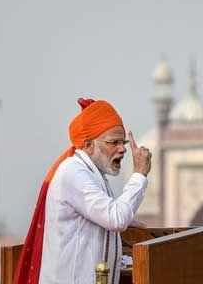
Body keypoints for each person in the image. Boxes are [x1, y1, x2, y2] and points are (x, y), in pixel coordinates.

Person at [13, 98, 152, 284]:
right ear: (88, 145)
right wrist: (140, 175)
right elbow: (116, 218)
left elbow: (109, 219)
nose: (122, 149)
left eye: (123, 142)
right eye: (114, 143)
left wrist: (125, 221)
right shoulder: (73, 172)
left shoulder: (93, 173)